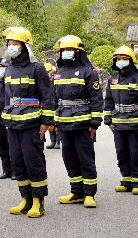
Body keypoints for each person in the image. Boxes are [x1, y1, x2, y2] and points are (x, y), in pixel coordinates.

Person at [0, 27, 55, 218]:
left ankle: (38, 201)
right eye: (9, 44)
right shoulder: (9, 68)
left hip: (32, 124)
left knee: (34, 162)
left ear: (25, 46)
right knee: (17, 162)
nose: (11, 47)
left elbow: (47, 96)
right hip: (13, 123)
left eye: (15, 44)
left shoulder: (37, 68)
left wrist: (46, 121)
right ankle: (25, 199)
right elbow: (8, 97)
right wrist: (7, 118)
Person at [52, 35, 103, 208]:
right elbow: (54, 98)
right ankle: (76, 192)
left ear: (78, 52)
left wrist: (95, 122)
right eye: (63, 50)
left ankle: (89, 194)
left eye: (69, 50)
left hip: (82, 124)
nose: (65, 53)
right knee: (70, 159)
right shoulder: (58, 73)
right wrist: (55, 123)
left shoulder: (88, 72)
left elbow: (96, 99)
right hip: (64, 123)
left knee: (85, 159)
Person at [104, 46, 138, 195]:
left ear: (131, 61)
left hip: (136, 124)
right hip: (119, 124)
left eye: (124, 59)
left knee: (137, 153)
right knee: (122, 153)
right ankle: (126, 180)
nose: (120, 62)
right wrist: (108, 120)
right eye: (118, 59)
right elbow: (108, 101)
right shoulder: (112, 79)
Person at [45, 63, 61, 150]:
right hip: (48, 105)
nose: (47, 73)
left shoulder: (56, 79)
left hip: (56, 104)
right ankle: (52, 141)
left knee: (56, 123)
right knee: (50, 124)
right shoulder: (44, 81)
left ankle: (58, 142)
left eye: (48, 71)